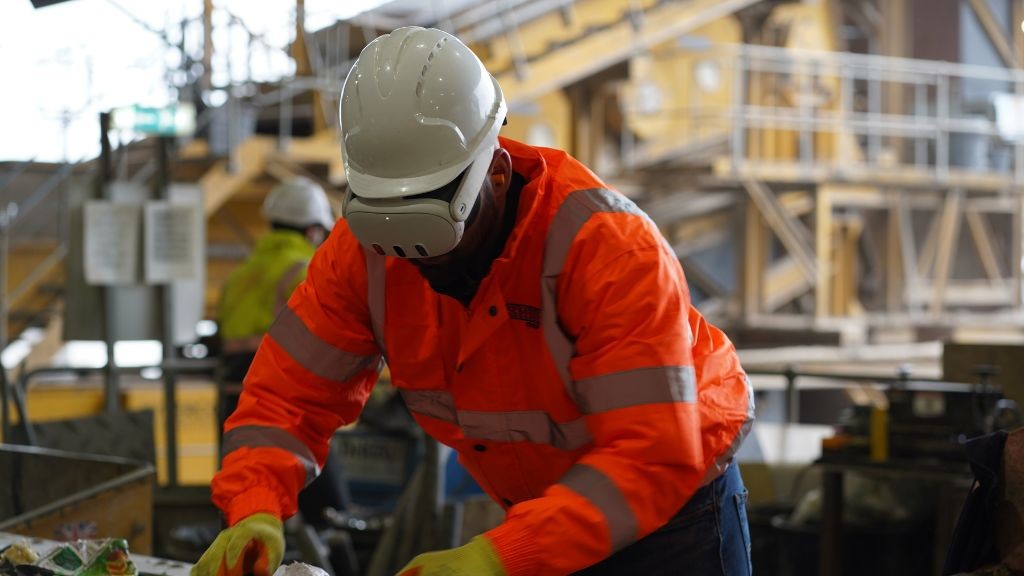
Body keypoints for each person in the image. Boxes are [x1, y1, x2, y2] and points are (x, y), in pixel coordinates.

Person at [193, 26, 754, 576]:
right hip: (543, 511)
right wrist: (255, 507)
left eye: (439, 234)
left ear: (499, 172)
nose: (423, 266)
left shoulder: (604, 248)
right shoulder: (362, 255)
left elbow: (650, 453)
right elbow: (288, 395)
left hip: (672, 516)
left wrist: (499, 556)